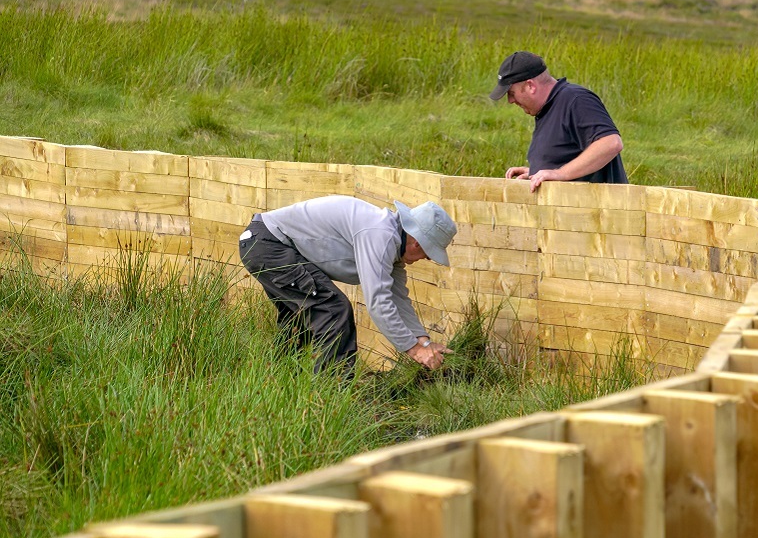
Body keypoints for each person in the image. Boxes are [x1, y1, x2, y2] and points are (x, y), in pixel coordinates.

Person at [238, 195, 457, 375]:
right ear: (418, 242)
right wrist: (415, 350)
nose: (426, 259)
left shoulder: (393, 246)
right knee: (333, 310)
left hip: (267, 244)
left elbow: (397, 298)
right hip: (268, 245)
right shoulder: (380, 235)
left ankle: (280, 385)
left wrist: (424, 342)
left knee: (301, 323)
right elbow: (378, 302)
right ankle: (329, 398)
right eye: (428, 254)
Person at [490, 51, 627, 192]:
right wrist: (538, 172)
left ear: (530, 86)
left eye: (512, 93)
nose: (510, 101)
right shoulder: (547, 109)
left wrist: (560, 173)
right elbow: (568, 155)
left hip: (599, 212)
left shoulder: (576, 100)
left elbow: (610, 143)